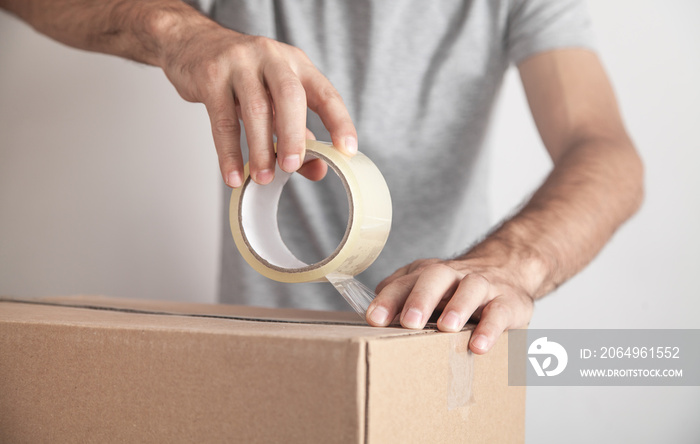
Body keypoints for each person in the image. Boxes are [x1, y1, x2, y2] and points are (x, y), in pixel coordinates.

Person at [0, 0, 644, 355]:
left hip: (440, 345)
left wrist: (510, 265)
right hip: (254, 360)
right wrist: (177, 31)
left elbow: (606, 151)